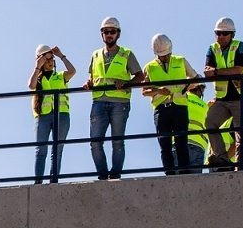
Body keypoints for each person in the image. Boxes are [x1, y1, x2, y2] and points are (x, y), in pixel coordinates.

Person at [85, 17, 143, 180]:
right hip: (99, 101)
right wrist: (89, 83)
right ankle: (103, 176)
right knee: (95, 142)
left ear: (118, 34)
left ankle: (115, 174)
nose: (109, 35)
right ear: (101, 34)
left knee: (117, 141)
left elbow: (140, 75)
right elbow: (92, 76)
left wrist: (127, 83)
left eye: (112, 32)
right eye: (106, 32)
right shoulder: (95, 55)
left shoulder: (126, 54)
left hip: (120, 103)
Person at [204, 17, 243, 171]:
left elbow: (238, 69)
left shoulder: (239, 46)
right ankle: (222, 158)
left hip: (240, 97)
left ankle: (240, 168)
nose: (221, 37)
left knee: (241, 135)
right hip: (222, 99)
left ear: (232, 35)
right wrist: (225, 73)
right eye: (218, 33)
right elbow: (207, 73)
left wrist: (217, 72)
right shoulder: (212, 48)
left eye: (225, 33)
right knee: (210, 122)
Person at [142, 34, 192, 175]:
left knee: (181, 142)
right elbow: (144, 91)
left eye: (168, 54)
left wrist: (186, 87)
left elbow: (195, 78)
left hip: (179, 106)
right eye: (163, 55)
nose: (167, 57)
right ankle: (169, 173)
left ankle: (184, 172)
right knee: (165, 145)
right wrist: (158, 90)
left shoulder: (180, 61)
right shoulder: (149, 67)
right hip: (161, 109)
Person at [29, 45, 76, 183]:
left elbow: (72, 71)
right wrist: (37, 66)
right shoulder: (38, 79)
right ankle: (38, 181)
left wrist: (61, 55)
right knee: (40, 149)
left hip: (61, 115)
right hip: (42, 116)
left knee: (57, 149)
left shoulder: (60, 76)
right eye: (46, 59)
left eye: (51, 59)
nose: (49, 62)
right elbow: (30, 86)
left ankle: (53, 180)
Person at [185, 82, 209, 171]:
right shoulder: (205, 107)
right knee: (194, 182)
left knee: (175, 180)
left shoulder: (180, 100)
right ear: (199, 91)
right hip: (199, 146)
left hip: (179, 142)